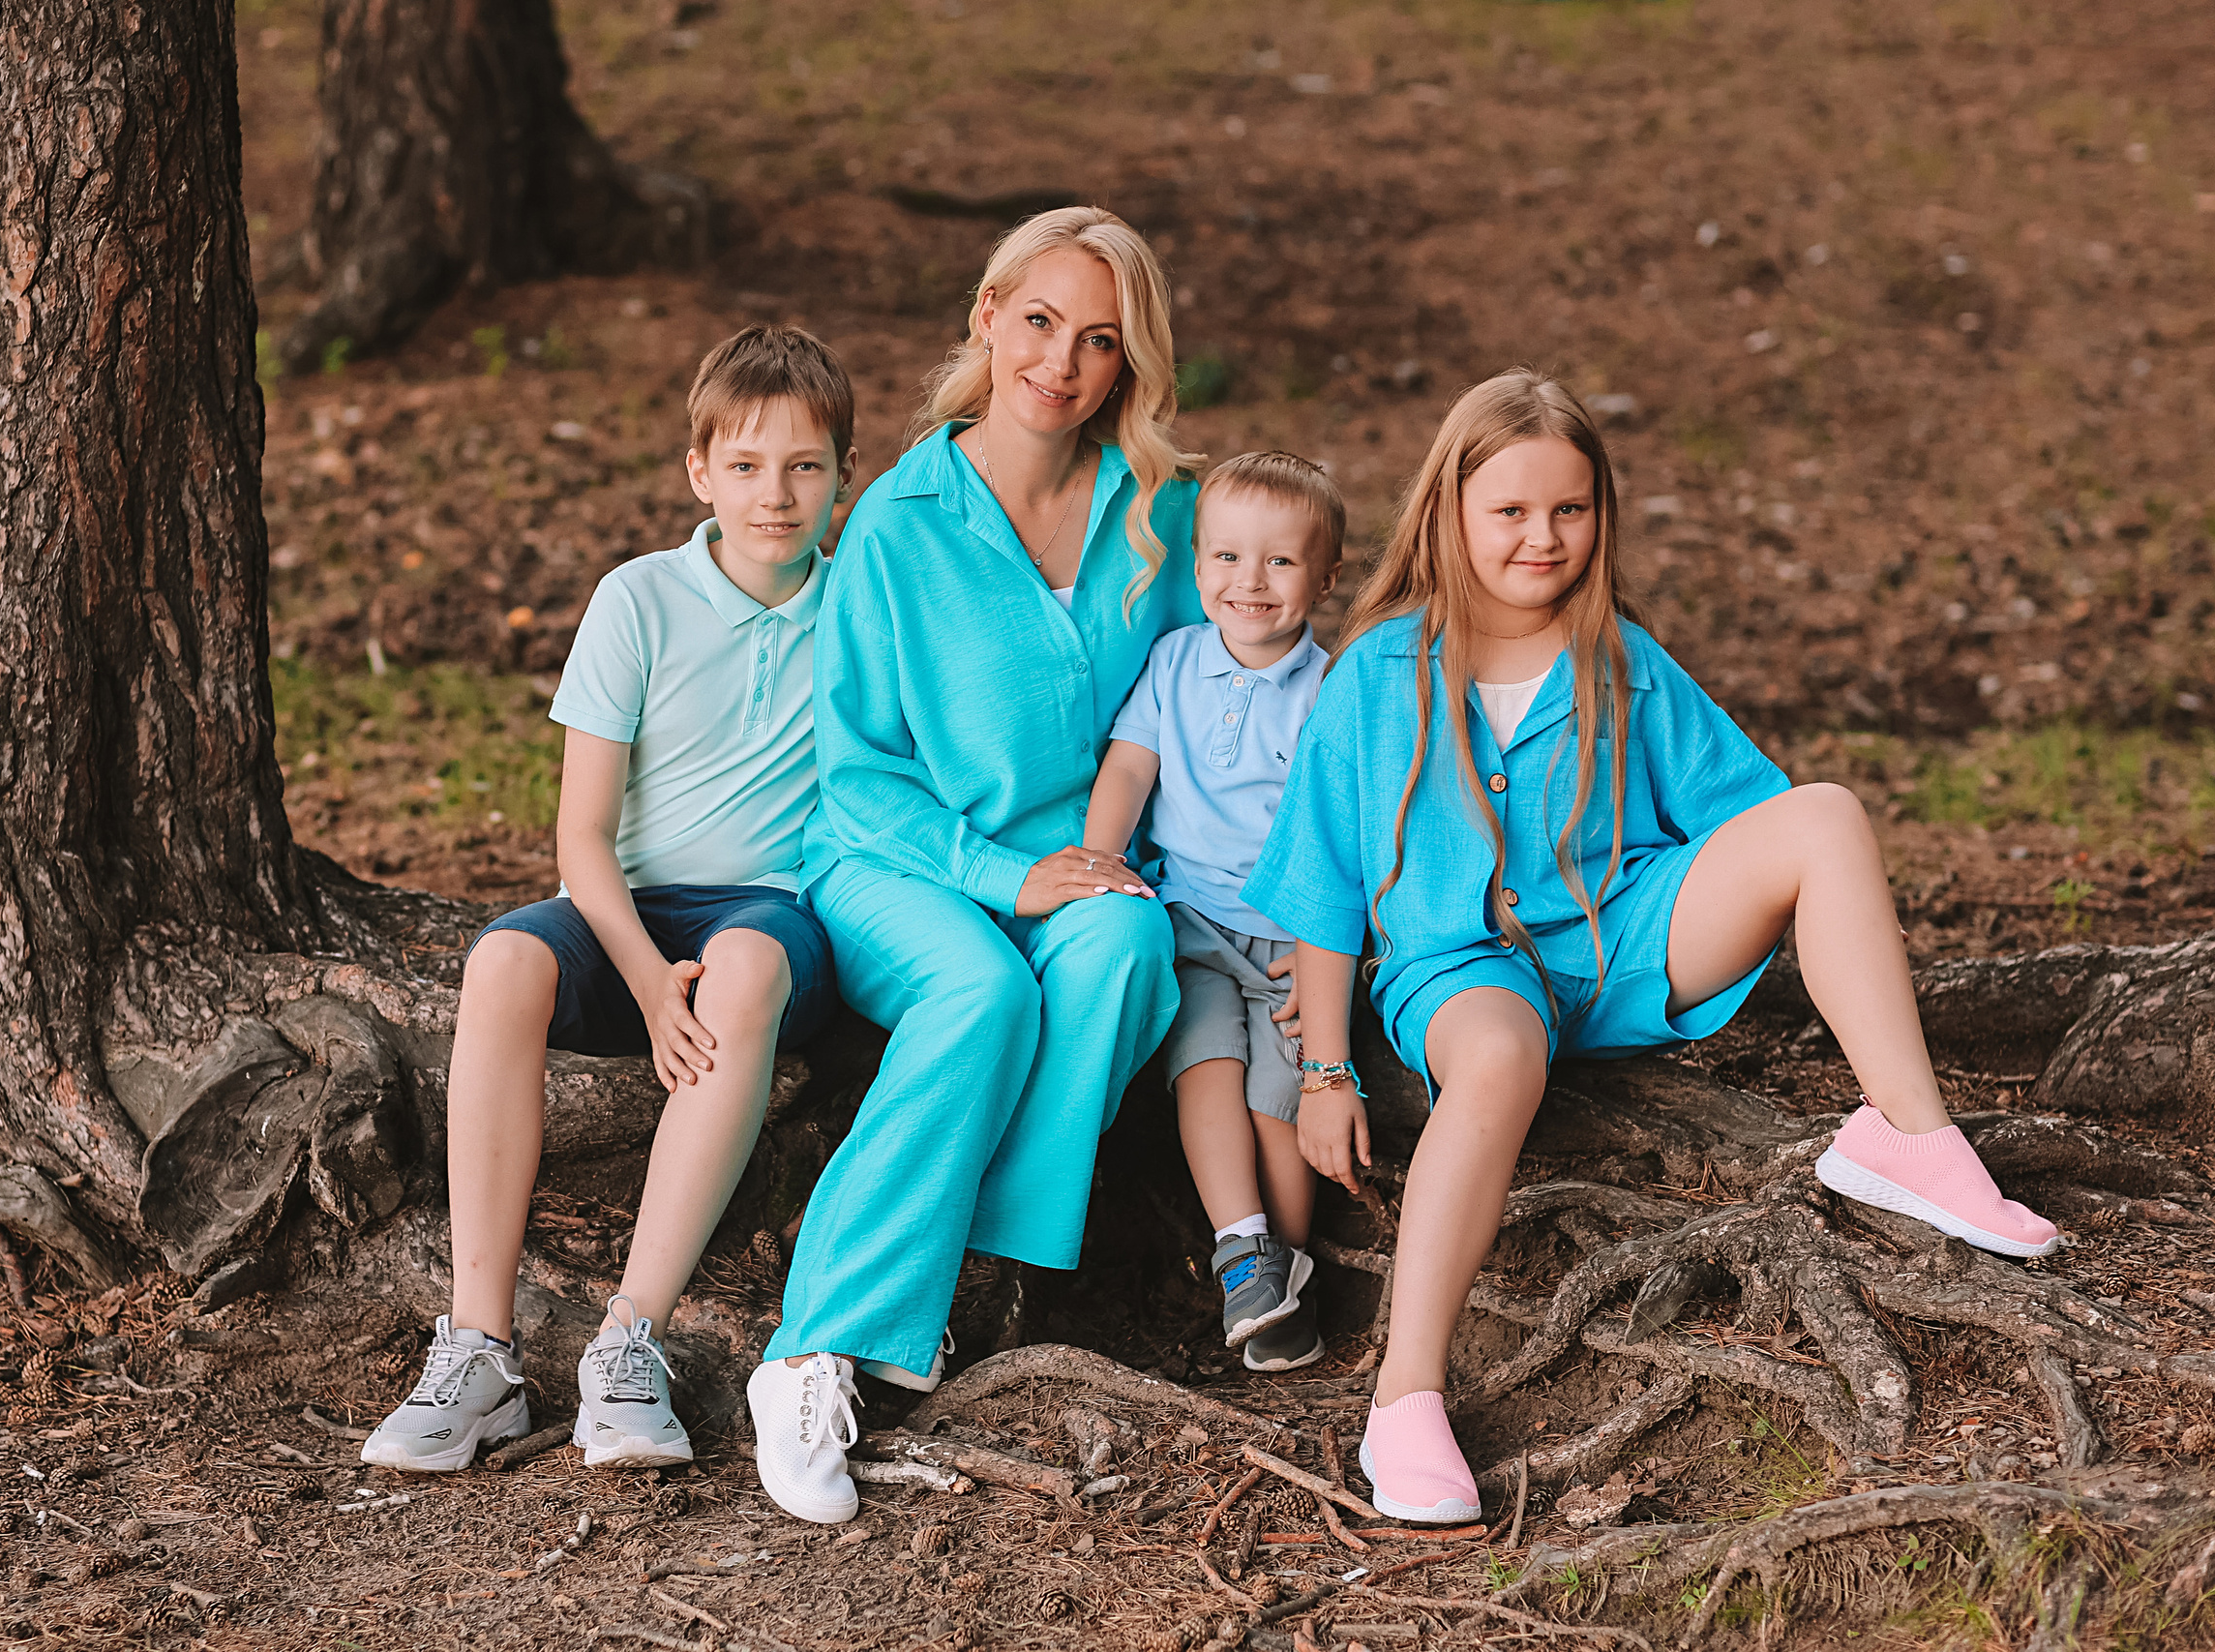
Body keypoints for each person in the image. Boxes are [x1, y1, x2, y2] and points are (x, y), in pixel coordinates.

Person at [1246, 367, 2059, 1525]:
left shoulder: (1619, 657)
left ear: (1601, 516)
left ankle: (1906, 1136)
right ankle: (1406, 1395)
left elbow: (1748, 821)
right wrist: (1324, 1070)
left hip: (1622, 934)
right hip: (1462, 969)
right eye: (1511, 513)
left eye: (1569, 511)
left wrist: (1785, 898)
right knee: (1496, 1057)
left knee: (1822, 814)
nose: (1543, 539)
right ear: (1449, 512)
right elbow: (1324, 895)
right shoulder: (1377, 673)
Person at [746, 207, 1205, 1524]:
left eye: (1100, 341)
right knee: (984, 995)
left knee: (1123, 952)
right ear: (989, 313)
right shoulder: (900, 520)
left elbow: (1200, 703)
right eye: (1042, 321)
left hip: (1087, 862)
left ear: (1129, 366)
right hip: (897, 858)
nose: (1061, 362)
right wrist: (1004, 879)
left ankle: (984, 1272)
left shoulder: (1161, 517)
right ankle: (812, 1347)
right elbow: (862, 774)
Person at [362, 325, 856, 1474]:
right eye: (743, 466)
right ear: (699, 474)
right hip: (627, 906)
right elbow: (580, 833)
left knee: (740, 969)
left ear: (844, 478)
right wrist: (642, 979)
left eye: (803, 468)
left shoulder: (858, 614)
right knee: (501, 961)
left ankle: (628, 1342)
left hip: (769, 914)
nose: (773, 496)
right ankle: (478, 1351)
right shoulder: (637, 601)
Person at [1082, 452, 1344, 1373]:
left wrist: (1336, 954)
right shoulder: (1174, 658)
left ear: (1325, 575)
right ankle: (1241, 1248)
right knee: (1206, 1067)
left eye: (1279, 561)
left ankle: (1290, 1269)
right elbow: (1130, 765)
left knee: (1279, 1099)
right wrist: (1102, 857)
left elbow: (1349, 836)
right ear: (1197, 566)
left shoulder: (1329, 694)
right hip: (1190, 917)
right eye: (1227, 558)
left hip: (1285, 938)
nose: (1250, 582)